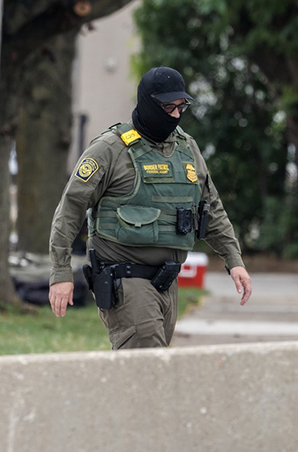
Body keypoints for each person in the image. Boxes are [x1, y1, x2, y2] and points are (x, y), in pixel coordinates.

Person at [48, 66, 252, 349]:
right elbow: (70, 208)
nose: (176, 116)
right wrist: (61, 273)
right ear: (147, 103)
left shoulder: (187, 148)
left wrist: (234, 259)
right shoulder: (110, 149)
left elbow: (211, 207)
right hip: (125, 278)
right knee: (147, 364)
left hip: (168, 282)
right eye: (168, 108)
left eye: (181, 107)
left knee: (149, 368)